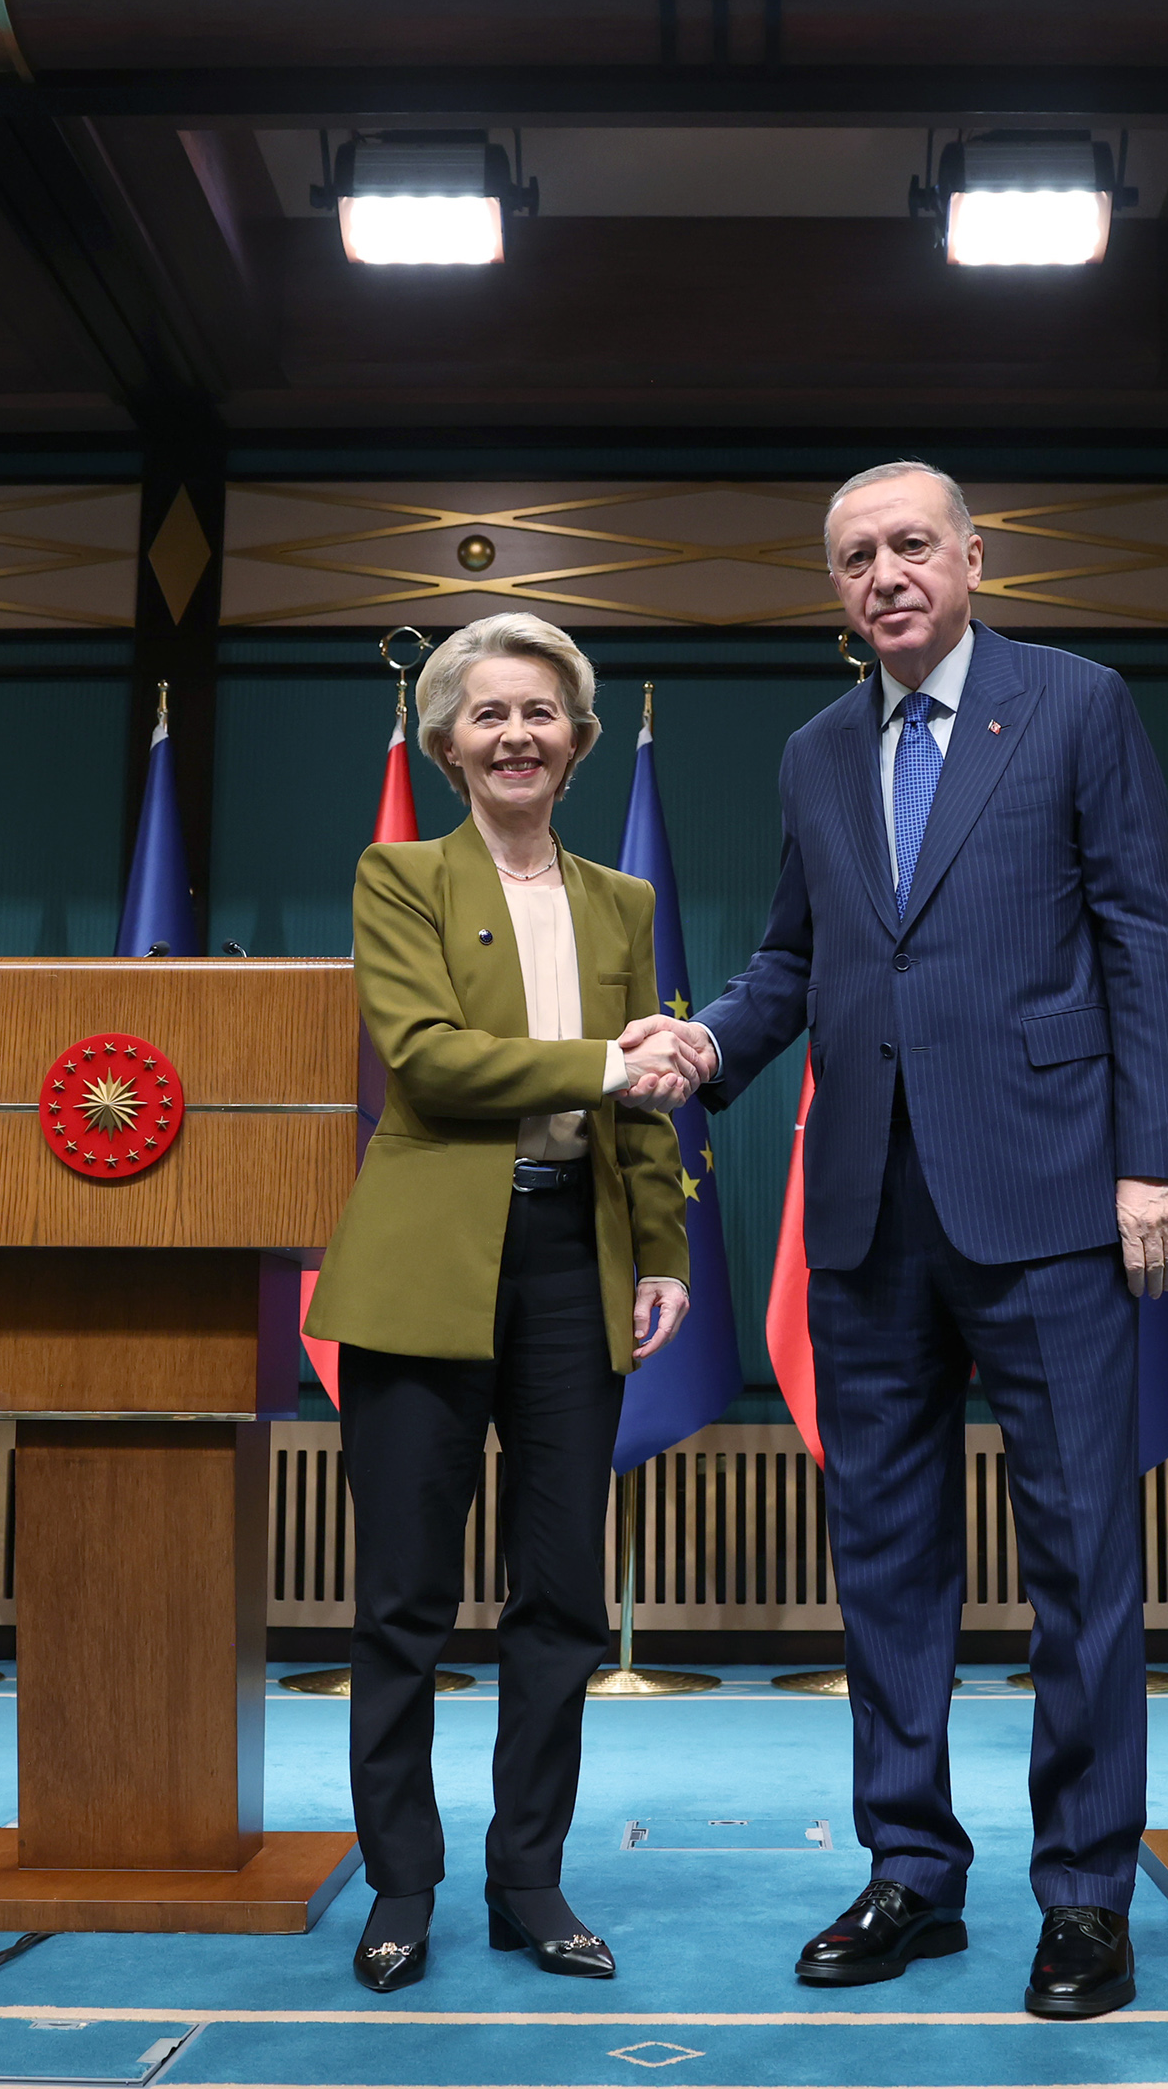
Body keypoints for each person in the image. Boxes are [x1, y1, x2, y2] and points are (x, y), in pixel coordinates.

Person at [618, 462, 1168, 2020]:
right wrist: (704, 1049)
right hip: (866, 1213)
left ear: (971, 557)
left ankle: (1082, 1898)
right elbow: (789, 960)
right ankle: (910, 1876)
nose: (884, 573)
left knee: (1081, 1562)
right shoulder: (814, 750)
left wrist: (1151, 1165)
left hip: (1055, 1204)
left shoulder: (1073, 703)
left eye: (909, 545)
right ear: (836, 585)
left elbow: (1143, 938)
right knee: (886, 1567)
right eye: (855, 555)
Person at [305, 612, 701, 1995]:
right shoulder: (396, 872)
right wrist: (609, 1060)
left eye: (542, 714)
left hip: (568, 1267)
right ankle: (400, 1882)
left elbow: (647, 1113)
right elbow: (427, 1061)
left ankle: (528, 1877)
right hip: (424, 1270)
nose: (517, 735)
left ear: (580, 744)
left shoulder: (623, 903)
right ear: (447, 744)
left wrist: (660, 1250)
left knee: (560, 1600)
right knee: (402, 1601)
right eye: (489, 716)